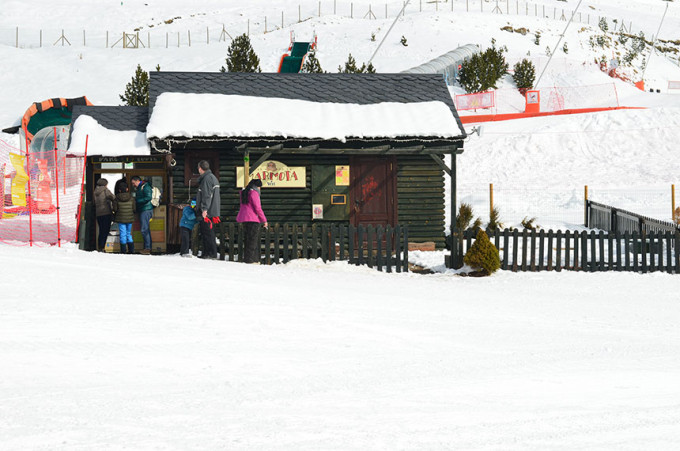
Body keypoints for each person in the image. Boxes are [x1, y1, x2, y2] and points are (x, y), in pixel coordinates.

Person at [236, 178, 268, 264]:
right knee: (253, 240)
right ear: (257, 186)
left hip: (244, 218)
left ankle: (251, 258)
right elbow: (258, 208)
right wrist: (264, 220)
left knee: (247, 239)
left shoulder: (244, 192)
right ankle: (250, 259)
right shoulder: (254, 193)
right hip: (253, 219)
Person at [195, 160, 220, 259]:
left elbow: (207, 196)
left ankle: (210, 253)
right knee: (208, 232)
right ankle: (208, 252)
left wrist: (204, 209)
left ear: (200, 168)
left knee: (207, 233)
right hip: (213, 210)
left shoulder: (207, 179)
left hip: (208, 212)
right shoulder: (212, 178)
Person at [131, 175, 153, 255]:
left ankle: (147, 248)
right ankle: (148, 247)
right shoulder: (141, 187)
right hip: (144, 209)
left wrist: (137, 201)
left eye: (133, 183)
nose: (133, 185)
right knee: (146, 229)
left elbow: (148, 197)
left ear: (137, 181)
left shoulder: (145, 187)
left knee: (144, 229)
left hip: (146, 210)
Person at [112, 181, 136, 254]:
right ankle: (131, 250)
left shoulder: (116, 198)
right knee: (128, 234)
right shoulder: (131, 198)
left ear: (119, 190)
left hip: (121, 218)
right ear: (127, 189)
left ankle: (123, 250)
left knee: (123, 234)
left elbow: (115, 209)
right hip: (129, 218)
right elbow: (134, 209)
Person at [94, 178, 115, 252]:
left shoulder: (95, 191)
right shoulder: (105, 190)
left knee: (101, 230)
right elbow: (113, 197)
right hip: (106, 212)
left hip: (98, 213)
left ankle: (100, 246)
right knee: (105, 231)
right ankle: (102, 247)